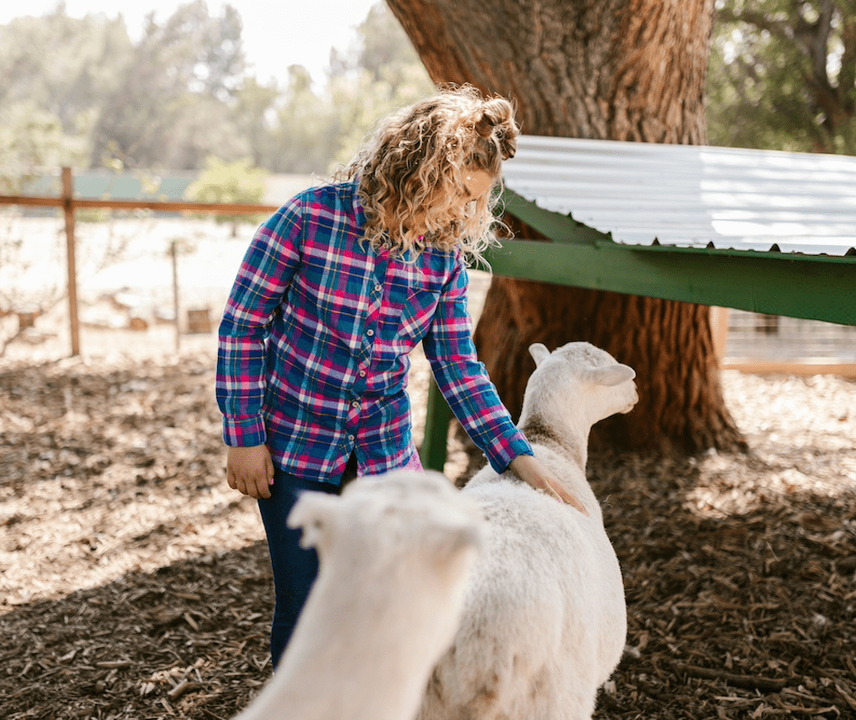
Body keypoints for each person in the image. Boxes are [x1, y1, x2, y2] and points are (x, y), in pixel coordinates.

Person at [215, 85, 586, 669]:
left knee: (397, 596)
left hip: (384, 454)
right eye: (458, 193)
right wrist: (243, 435)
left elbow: (458, 366)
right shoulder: (307, 217)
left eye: (475, 203)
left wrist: (520, 459)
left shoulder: (441, 259)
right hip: (292, 448)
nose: (462, 214)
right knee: (307, 605)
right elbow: (242, 326)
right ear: (420, 165)